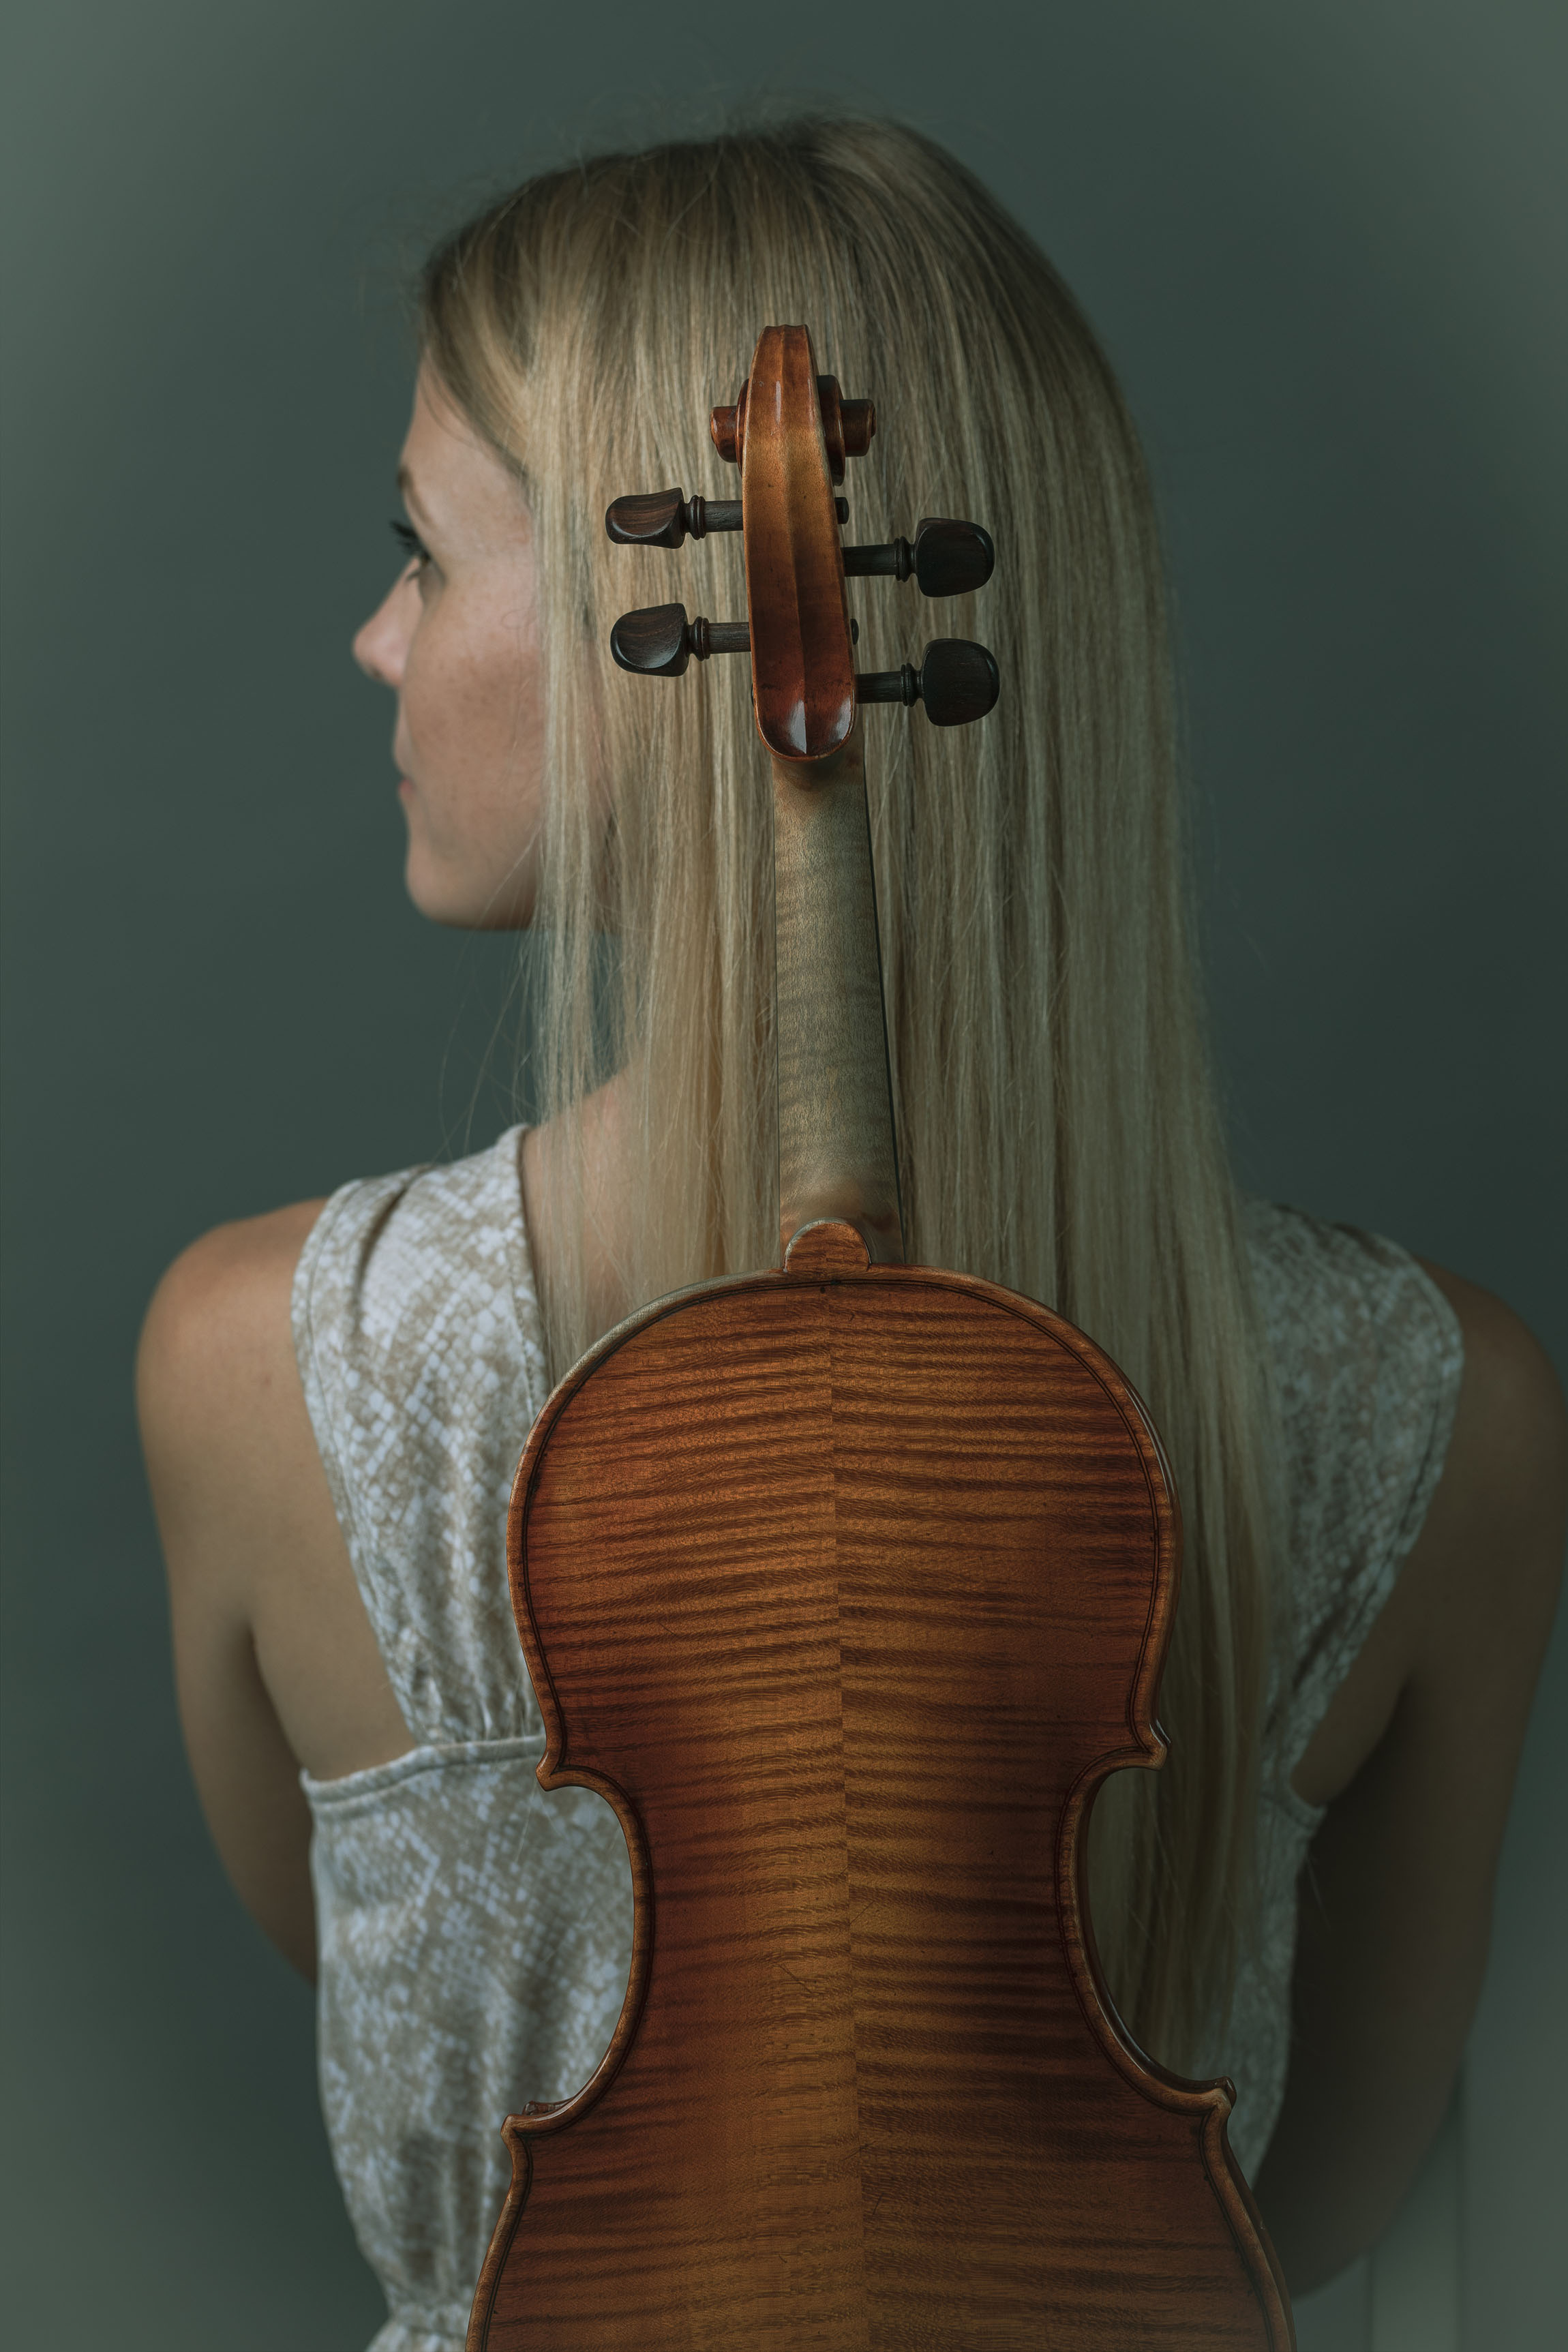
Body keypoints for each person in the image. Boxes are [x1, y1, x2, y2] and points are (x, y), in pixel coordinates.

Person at [136, 118, 1565, 2351]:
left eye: (415, 550)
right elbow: (1321, 2177)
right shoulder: (1442, 1414)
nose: (369, 633)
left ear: (659, 643)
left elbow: (403, 2013)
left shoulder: (256, 1366)